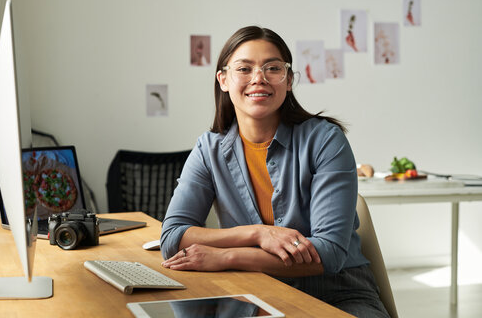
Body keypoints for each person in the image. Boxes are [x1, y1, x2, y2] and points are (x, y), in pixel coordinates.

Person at [161, 26, 389, 317]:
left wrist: (226, 255)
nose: (259, 78)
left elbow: (328, 253)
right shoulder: (209, 149)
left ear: (289, 79)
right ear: (224, 80)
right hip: (252, 290)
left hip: (336, 291)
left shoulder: (325, 140)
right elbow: (172, 237)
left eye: (273, 68)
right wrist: (258, 234)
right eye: (244, 68)